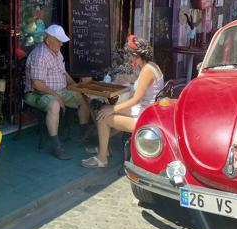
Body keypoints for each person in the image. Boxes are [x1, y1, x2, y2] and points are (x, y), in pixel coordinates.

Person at [81, 35, 164, 168]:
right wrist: (129, 84)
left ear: (135, 55)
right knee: (104, 110)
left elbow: (136, 98)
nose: (129, 58)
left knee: (103, 117)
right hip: (148, 112)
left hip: (144, 118)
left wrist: (113, 109)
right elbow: (143, 92)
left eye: (129, 55)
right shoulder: (152, 66)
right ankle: (104, 148)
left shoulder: (146, 71)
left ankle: (102, 158)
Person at [25, 24, 91, 160]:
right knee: (54, 104)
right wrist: (56, 95)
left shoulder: (56, 52)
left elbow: (63, 72)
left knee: (82, 97)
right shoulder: (40, 55)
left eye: (62, 41)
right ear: (48, 39)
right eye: (58, 40)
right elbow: (36, 84)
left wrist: (76, 86)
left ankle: (83, 135)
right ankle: (56, 146)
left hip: (58, 90)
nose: (61, 44)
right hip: (36, 93)